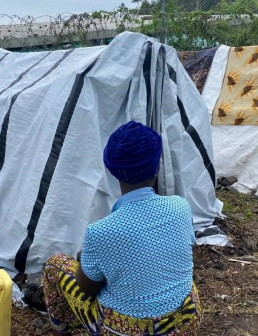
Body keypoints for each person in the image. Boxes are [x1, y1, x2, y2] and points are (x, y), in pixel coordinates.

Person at [42, 121, 202, 336]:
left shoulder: (101, 232)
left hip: (128, 330)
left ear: (112, 169)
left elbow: (86, 289)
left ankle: (62, 330)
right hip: (186, 321)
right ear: (157, 166)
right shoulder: (180, 206)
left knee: (55, 265)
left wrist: (88, 260)